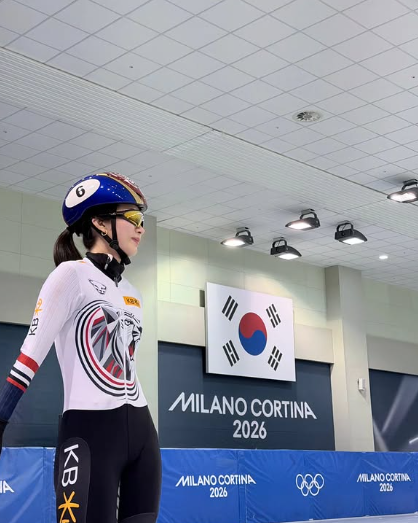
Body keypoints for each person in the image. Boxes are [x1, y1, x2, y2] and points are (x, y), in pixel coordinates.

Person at [0, 172, 161, 523]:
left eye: (142, 221)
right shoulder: (69, 275)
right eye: (133, 218)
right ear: (100, 223)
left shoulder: (133, 294)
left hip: (142, 432)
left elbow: (126, 365)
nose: (141, 228)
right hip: (90, 433)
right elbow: (29, 356)